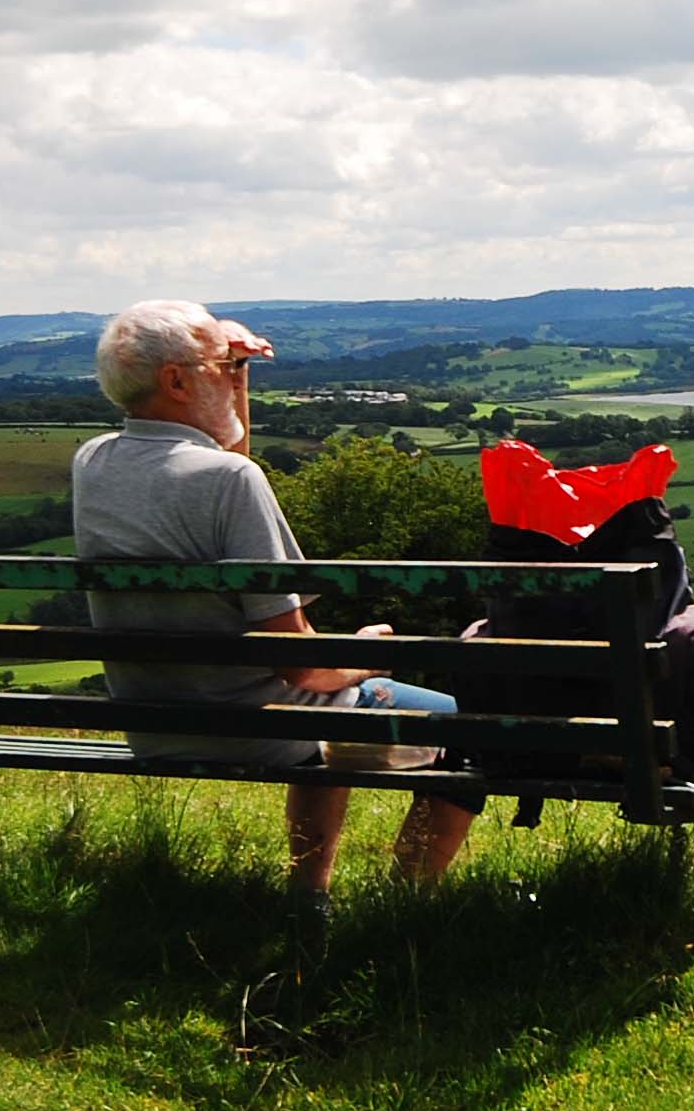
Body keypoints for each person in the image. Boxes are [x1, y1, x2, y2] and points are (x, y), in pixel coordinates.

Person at [73, 298, 474, 930]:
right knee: (467, 725)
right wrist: (366, 652)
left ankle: (309, 901)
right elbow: (300, 669)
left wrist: (235, 374)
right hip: (249, 722)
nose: (229, 374)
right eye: (216, 364)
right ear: (175, 381)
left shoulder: (94, 463)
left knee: (330, 706)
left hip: (153, 718)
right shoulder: (228, 481)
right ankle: (403, 910)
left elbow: (227, 461)